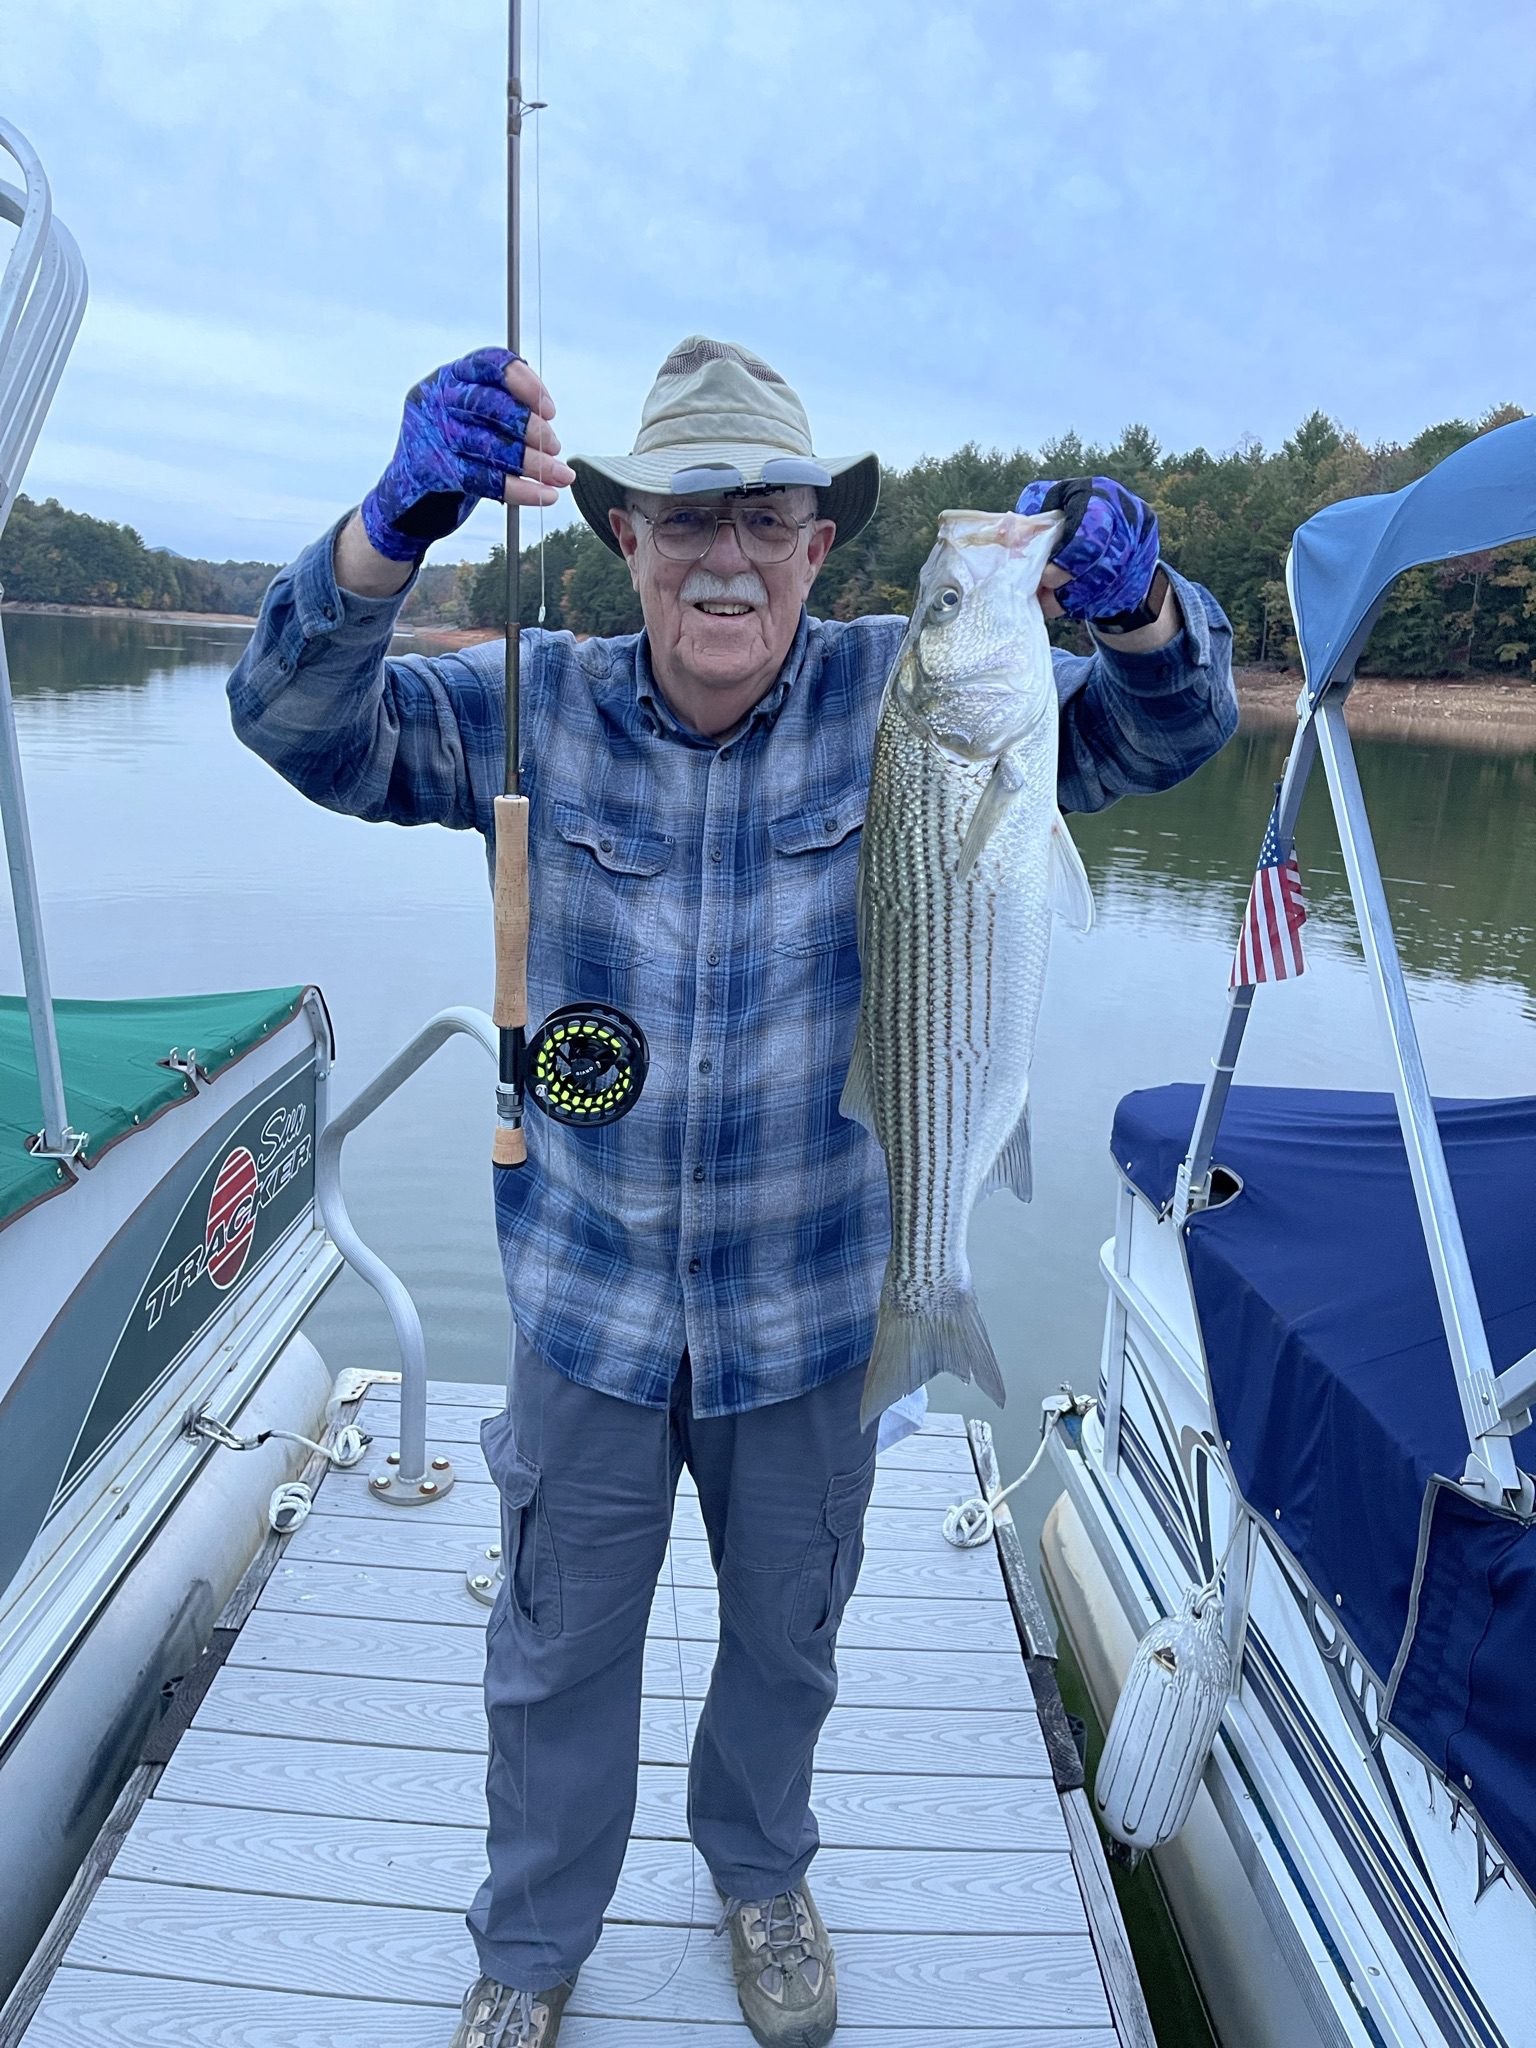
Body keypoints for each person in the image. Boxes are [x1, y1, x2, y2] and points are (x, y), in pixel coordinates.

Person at [227, 336, 1237, 2048]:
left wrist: (1141, 616)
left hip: (820, 1308)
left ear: (820, 547)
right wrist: (385, 532)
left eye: (766, 517)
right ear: (625, 538)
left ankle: (759, 1873)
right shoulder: (527, 702)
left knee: (790, 1638)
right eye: (687, 517)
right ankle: (532, 1949)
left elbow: (1169, 733)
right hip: (588, 1303)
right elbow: (294, 722)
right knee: (553, 1659)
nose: (726, 555)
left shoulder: (912, 699)